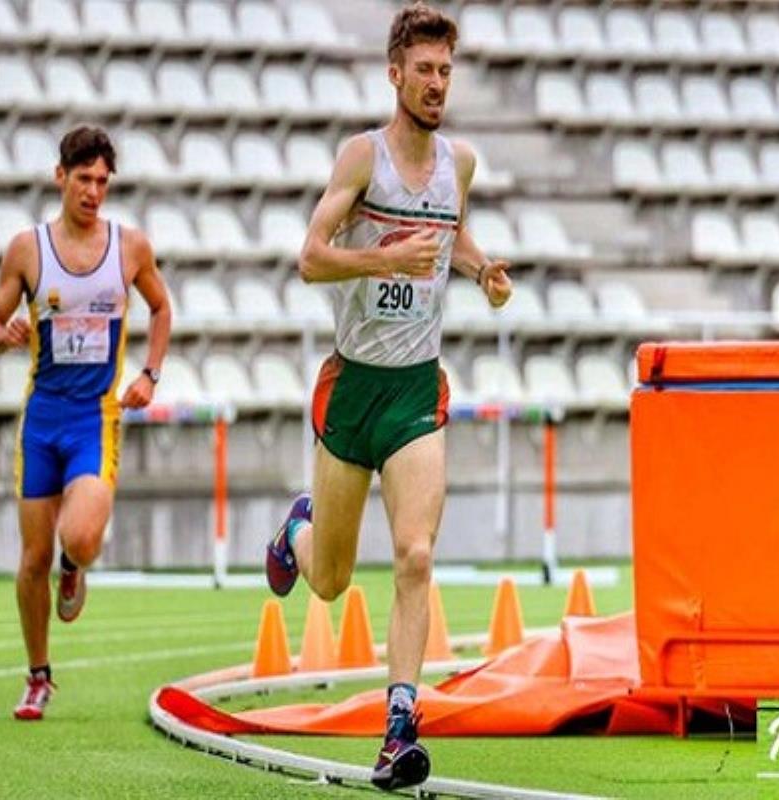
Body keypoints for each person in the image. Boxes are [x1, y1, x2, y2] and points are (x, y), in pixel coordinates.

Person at [264, 3, 511, 790]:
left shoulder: (458, 165)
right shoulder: (361, 158)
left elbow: (451, 233)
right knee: (331, 582)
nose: (437, 84)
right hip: (353, 388)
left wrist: (482, 269)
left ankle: (399, 729)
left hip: (414, 391)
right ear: (395, 74)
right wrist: (382, 261)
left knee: (416, 554)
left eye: (447, 72)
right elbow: (311, 258)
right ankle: (297, 531)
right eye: (425, 70)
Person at [0, 124, 172, 721]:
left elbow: (162, 307)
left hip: (94, 418)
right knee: (31, 558)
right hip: (42, 421)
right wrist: (5, 335)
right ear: (60, 177)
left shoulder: (129, 247)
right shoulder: (28, 249)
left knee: (81, 537)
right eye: (83, 179)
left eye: (102, 181)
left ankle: (75, 567)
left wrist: (150, 374)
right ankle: (38, 675)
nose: (93, 191)